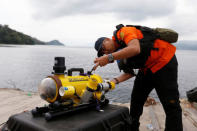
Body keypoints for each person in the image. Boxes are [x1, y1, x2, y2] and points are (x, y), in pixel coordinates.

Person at [93, 25, 183, 131]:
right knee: (136, 101)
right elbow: (129, 73)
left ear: (107, 40)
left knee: (171, 105)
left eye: (103, 48)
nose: (105, 52)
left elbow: (135, 48)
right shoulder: (119, 55)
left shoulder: (123, 32)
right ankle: (132, 128)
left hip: (164, 62)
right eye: (102, 52)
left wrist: (108, 58)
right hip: (146, 69)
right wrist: (113, 82)